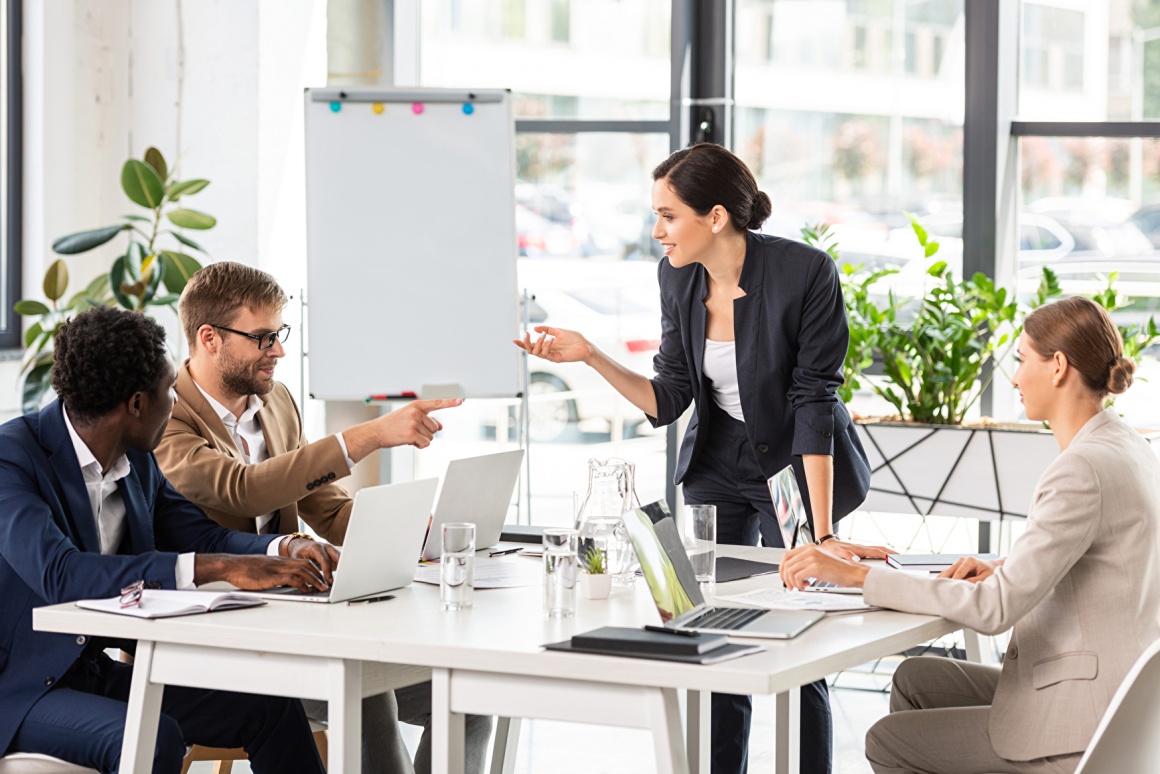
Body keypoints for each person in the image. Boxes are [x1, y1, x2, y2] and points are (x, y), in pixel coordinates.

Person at [515, 142, 885, 774]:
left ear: (715, 217)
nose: (656, 231)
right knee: (714, 634)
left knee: (802, 629)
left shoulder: (805, 273)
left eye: (668, 216)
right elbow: (669, 398)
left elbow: (813, 402)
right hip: (716, 465)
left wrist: (820, 534)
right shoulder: (677, 276)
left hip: (794, 465)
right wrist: (590, 355)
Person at [780, 296, 1160, 774]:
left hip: (1082, 721)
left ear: (1058, 366)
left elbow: (993, 610)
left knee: (887, 741)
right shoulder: (1126, 444)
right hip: (1120, 696)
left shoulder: (1081, 468)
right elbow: (1103, 560)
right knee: (917, 678)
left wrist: (856, 576)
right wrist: (1004, 567)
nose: (1015, 377)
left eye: (1021, 360)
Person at [153, 261, 492, 774]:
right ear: (209, 339)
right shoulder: (166, 415)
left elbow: (327, 508)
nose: (280, 352)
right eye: (264, 338)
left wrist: (412, 533)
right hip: (215, 640)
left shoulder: (277, 402)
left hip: (296, 617)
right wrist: (371, 435)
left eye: (280, 334)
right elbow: (244, 490)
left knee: (466, 693)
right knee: (363, 691)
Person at [0, 306, 336, 773]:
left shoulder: (136, 462)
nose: (176, 404)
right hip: (16, 689)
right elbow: (61, 574)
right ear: (137, 404)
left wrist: (284, 548)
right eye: (168, 393)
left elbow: (201, 535)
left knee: (269, 706)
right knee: (154, 734)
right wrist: (213, 568)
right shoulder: (12, 457)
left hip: (88, 674)